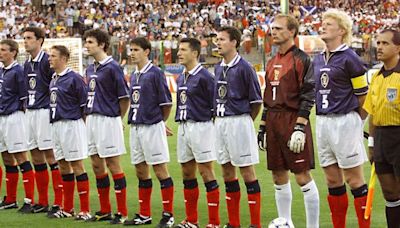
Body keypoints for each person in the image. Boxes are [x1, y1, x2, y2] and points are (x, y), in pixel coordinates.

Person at [257, 14, 320, 228]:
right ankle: (286, 223)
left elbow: (309, 94)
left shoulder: (301, 59)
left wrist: (300, 127)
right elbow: (268, 99)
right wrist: (263, 127)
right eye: (272, 28)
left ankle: (313, 226)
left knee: (302, 177)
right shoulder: (272, 60)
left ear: (291, 31)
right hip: (274, 121)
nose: (273, 31)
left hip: (292, 120)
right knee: (278, 176)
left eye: (278, 28)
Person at [313, 9, 370, 228]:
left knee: (354, 180)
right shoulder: (318, 58)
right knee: (332, 180)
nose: (323, 26)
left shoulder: (350, 58)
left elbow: (363, 96)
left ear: (342, 30)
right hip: (323, 122)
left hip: (345, 121)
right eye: (323, 22)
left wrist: (356, 123)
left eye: (329, 24)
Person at [123, 37, 175, 228]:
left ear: (146, 52)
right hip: (136, 126)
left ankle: (168, 215)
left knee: (160, 169)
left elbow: (166, 103)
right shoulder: (134, 74)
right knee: (140, 170)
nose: (132, 53)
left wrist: (161, 122)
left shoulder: (155, 73)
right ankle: (144, 214)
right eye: (131, 49)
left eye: (136, 49)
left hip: (151, 126)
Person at [214, 26, 262, 228]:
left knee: (247, 171)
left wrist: (245, 122)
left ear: (234, 42)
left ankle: (255, 224)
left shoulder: (245, 68)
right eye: (217, 39)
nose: (218, 42)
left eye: (222, 39)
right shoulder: (217, 67)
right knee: (226, 171)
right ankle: (234, 223)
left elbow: (256, 101)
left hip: (239, 121)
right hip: (220, 121)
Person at [83, 29, 129, 224]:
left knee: (113, 164)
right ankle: (104, 210)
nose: (87, 45)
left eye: (90, 42)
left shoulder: (113, 67)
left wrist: (118, 119)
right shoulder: (90, 68)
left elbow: (124, 98)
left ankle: (122, 212)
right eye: (86, 41)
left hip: (108, 120)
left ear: (101, 44)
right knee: (96, 164)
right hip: (92, 119)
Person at [173, 37, 220, 228]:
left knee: (206, 171)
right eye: (179, 49)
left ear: (195, 53)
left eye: (183, 49)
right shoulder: (181, 77)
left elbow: (215, 103)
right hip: (184, 127)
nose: (179, 53)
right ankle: (191, 220)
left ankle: (214, 222)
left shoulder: (205, 77)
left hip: (202, 126)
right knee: (186, 172)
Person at [46, 45, 91, 220]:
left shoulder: (74, 78)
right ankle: (68, 207)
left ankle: (85, 210)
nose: (50, 58)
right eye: (49, 56)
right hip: (56, 125)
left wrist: (83, 127)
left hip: (71, 125)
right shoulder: (54, 78)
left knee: (77, 166)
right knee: (63, 165)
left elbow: (84, 104)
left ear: (64, 58)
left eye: (53, 56)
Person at [23, 26, 63, 214]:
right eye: (24, 38)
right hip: (30, 112)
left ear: (39, 40)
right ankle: (42, 201)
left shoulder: (47, 62)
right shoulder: (26, 63)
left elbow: (54, 87)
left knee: (50, 155)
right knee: (35, 156)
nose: (25, 41)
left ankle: (58, 201)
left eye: (29, 38)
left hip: (44, 111)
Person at [363, 28, 400, 228]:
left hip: (398, 135)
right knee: (390, 193)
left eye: (385, 43)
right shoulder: (377, 76)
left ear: (398, 47)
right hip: (382, 140)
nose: (379, 47)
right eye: (378, 43)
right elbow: (372, 112)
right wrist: (371, 144)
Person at [0, 39, 35, 212]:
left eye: (3, 49)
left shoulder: (18, 71)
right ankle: (10, 199)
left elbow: (24, 97)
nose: (0, 52)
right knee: (6, 158)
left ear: (13, 52)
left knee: (21, 157)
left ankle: (29, 200)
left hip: (14, 117)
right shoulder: (1, 71)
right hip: (1, 117)